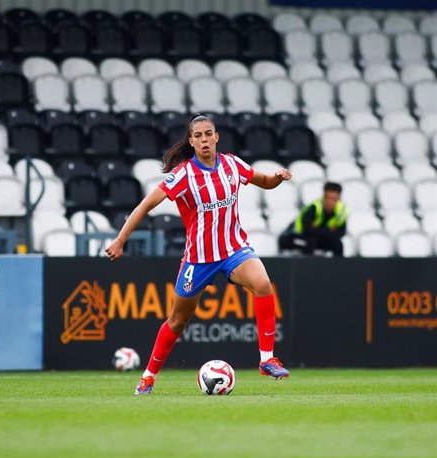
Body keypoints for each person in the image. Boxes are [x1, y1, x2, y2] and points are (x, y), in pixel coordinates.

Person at [105, 115, 292, 395]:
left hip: (233, 250)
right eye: (198, 136)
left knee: (263, 284)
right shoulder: (183, 175)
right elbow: (146, 204)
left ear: (217, 137)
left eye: (209, 134)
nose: (204, 140)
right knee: (178, 321)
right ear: (191, 142)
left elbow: (263, 181)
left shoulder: (232, 164)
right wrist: (120, 239)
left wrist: (277, 178)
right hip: (198, 259)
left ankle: (267, 359)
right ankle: (148, 377)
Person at [278, 181, 348, 257]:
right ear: (323, 196)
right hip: (296, 237)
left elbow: (341, 232)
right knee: (311, 240)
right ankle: (308, 267)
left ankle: (337, 267)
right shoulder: (314, 208)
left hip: (318, 240)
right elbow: (308, 230)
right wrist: (329, 230)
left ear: (338, 199)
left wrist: (318, 230)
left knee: (337, 244)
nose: (329, 202)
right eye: (327, 198)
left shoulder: (341, 212)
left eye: (333, 199)